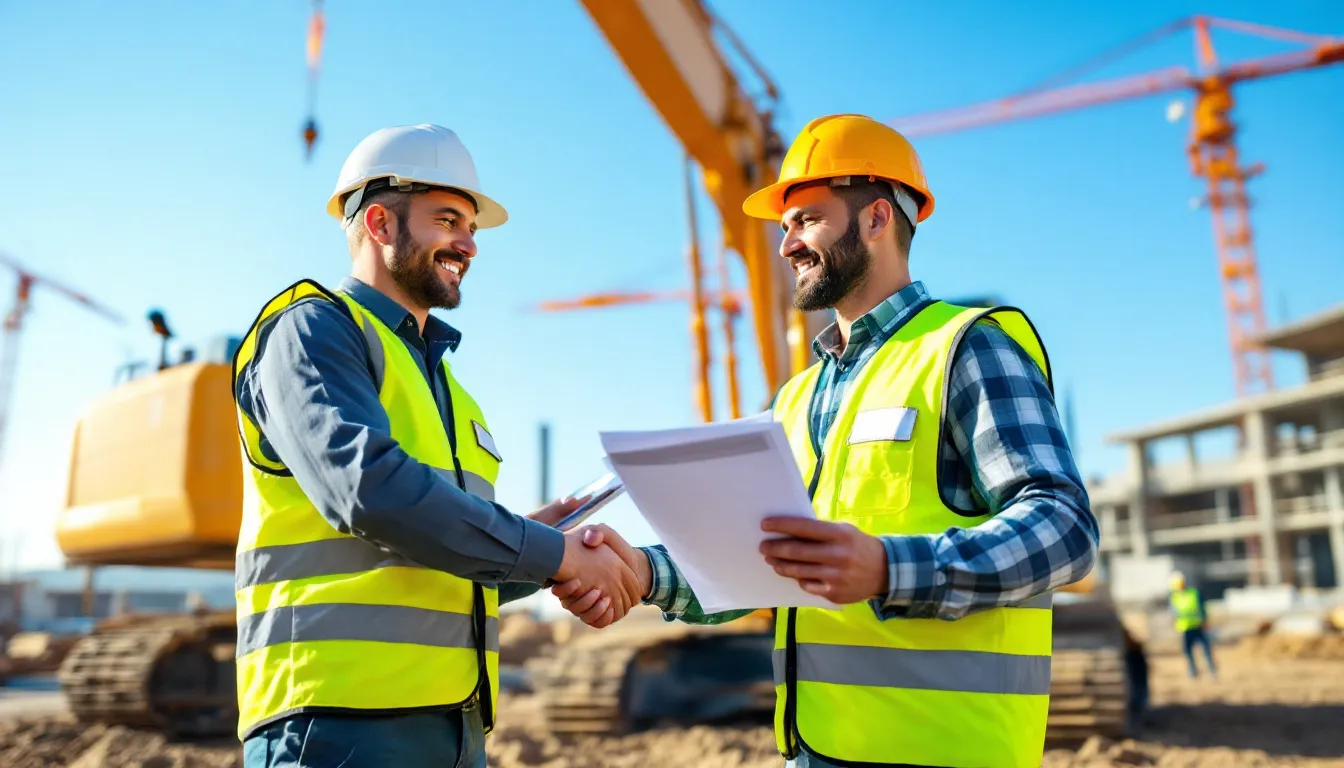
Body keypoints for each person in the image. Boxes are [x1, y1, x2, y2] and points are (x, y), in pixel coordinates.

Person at [555, 113, 1099, 768]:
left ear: (876, 218)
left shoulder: (966, 347)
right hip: (817, 749)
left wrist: (889, 570)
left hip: (944, 751)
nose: (786, 245)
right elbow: (764, 564)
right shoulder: (798, 396)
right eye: (784, 227)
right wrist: (644, 573)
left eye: (806, 219)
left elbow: (1065, 528)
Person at [231, 124, 642, 768]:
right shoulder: (312, 329)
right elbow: (368, 491)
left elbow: (436, 567)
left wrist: (537, 548)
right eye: (447, 220)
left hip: (453, 726)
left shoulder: (448, 385)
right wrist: (553, 554)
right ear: (379, 223)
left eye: (472, 228)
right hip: (335, 722)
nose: (468, 244)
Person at [1169, 570, 1217, 679]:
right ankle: (1193, 671)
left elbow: (1202, 608)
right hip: (1185, 629)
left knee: (1206, 649)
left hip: (1199, 626)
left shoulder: (1193, 593)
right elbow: (1173, 614)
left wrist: (1205, 621)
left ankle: (1212, 670)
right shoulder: (1174, 598)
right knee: (1188, 652)